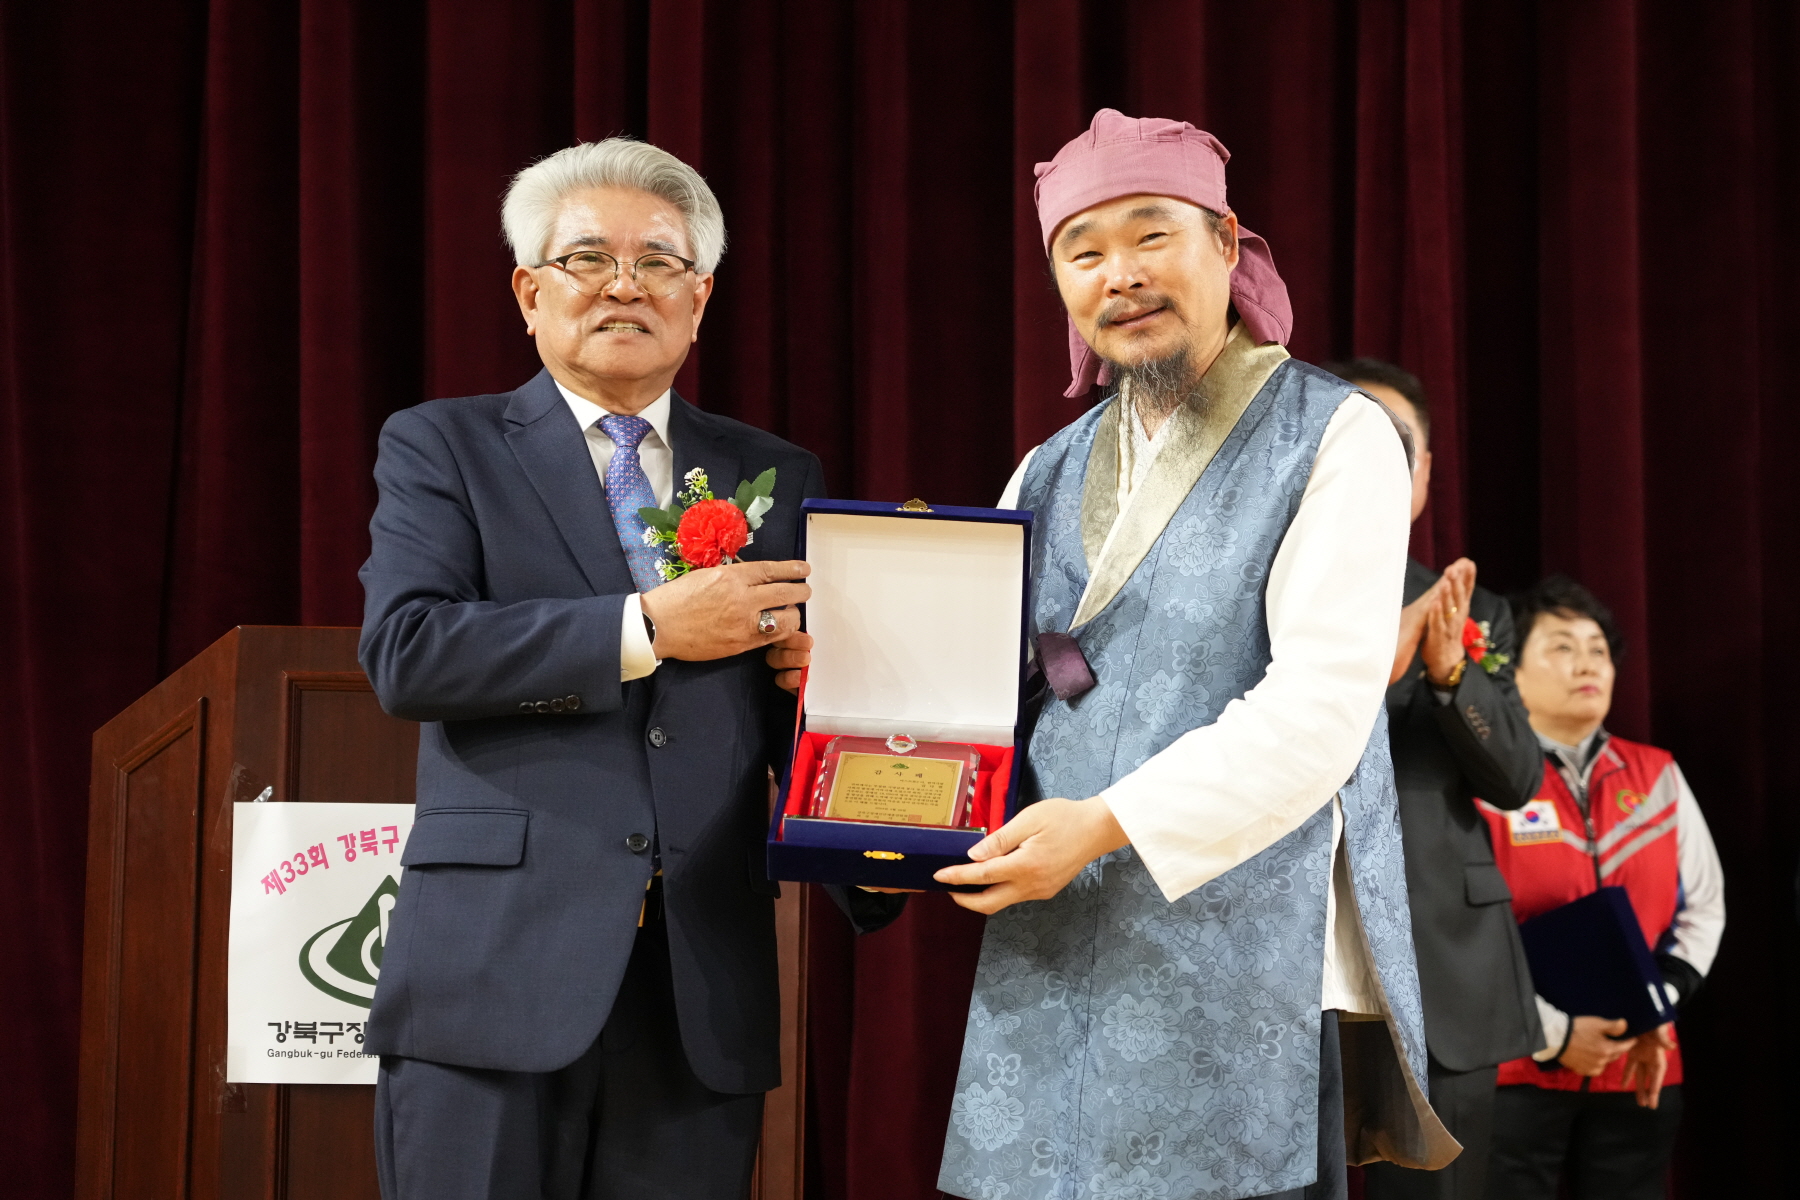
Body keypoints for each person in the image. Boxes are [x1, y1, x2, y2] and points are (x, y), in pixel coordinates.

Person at [932, 110, 1458, 1200]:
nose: (1117, 273)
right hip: (1054, 934)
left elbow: (1319, 714)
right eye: (1082, 251)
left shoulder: (1335, 433)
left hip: (1232, 946)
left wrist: (1106, 825)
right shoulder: (1044, 468)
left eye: (1150, 235)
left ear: (1230, 245)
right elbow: (975, 691)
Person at [356, 138, 896, 1200]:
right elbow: (408, 651)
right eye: (588, 259)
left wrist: (870, 803)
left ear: (699, 299)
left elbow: (805, 700)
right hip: (493, 979)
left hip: (700, 988)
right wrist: (647, 625)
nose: (623, 285)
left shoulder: (776, 474)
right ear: (528, 291)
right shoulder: (442, 446)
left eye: (658, 263)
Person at [1320, 359, 1543, 1200]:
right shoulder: (1254, 601)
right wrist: (1376, 667)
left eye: (1394, 448)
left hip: (1441, 956)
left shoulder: (1475, 611)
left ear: (1422, 478)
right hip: (1293, 951)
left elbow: (1518, 778)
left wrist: (1451, 676)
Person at [1478, 576, 1724, 1200]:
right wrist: (1553, 1031)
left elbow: (1704, 908)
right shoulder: (1486, 784)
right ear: (1514, 672)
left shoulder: (1657, 774)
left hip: (1641, 1062)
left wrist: (1656, 1001)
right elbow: (1460, 933)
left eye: (1598, 648)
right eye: (1561, 646)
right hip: (1516, 1072)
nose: (1586, 663)